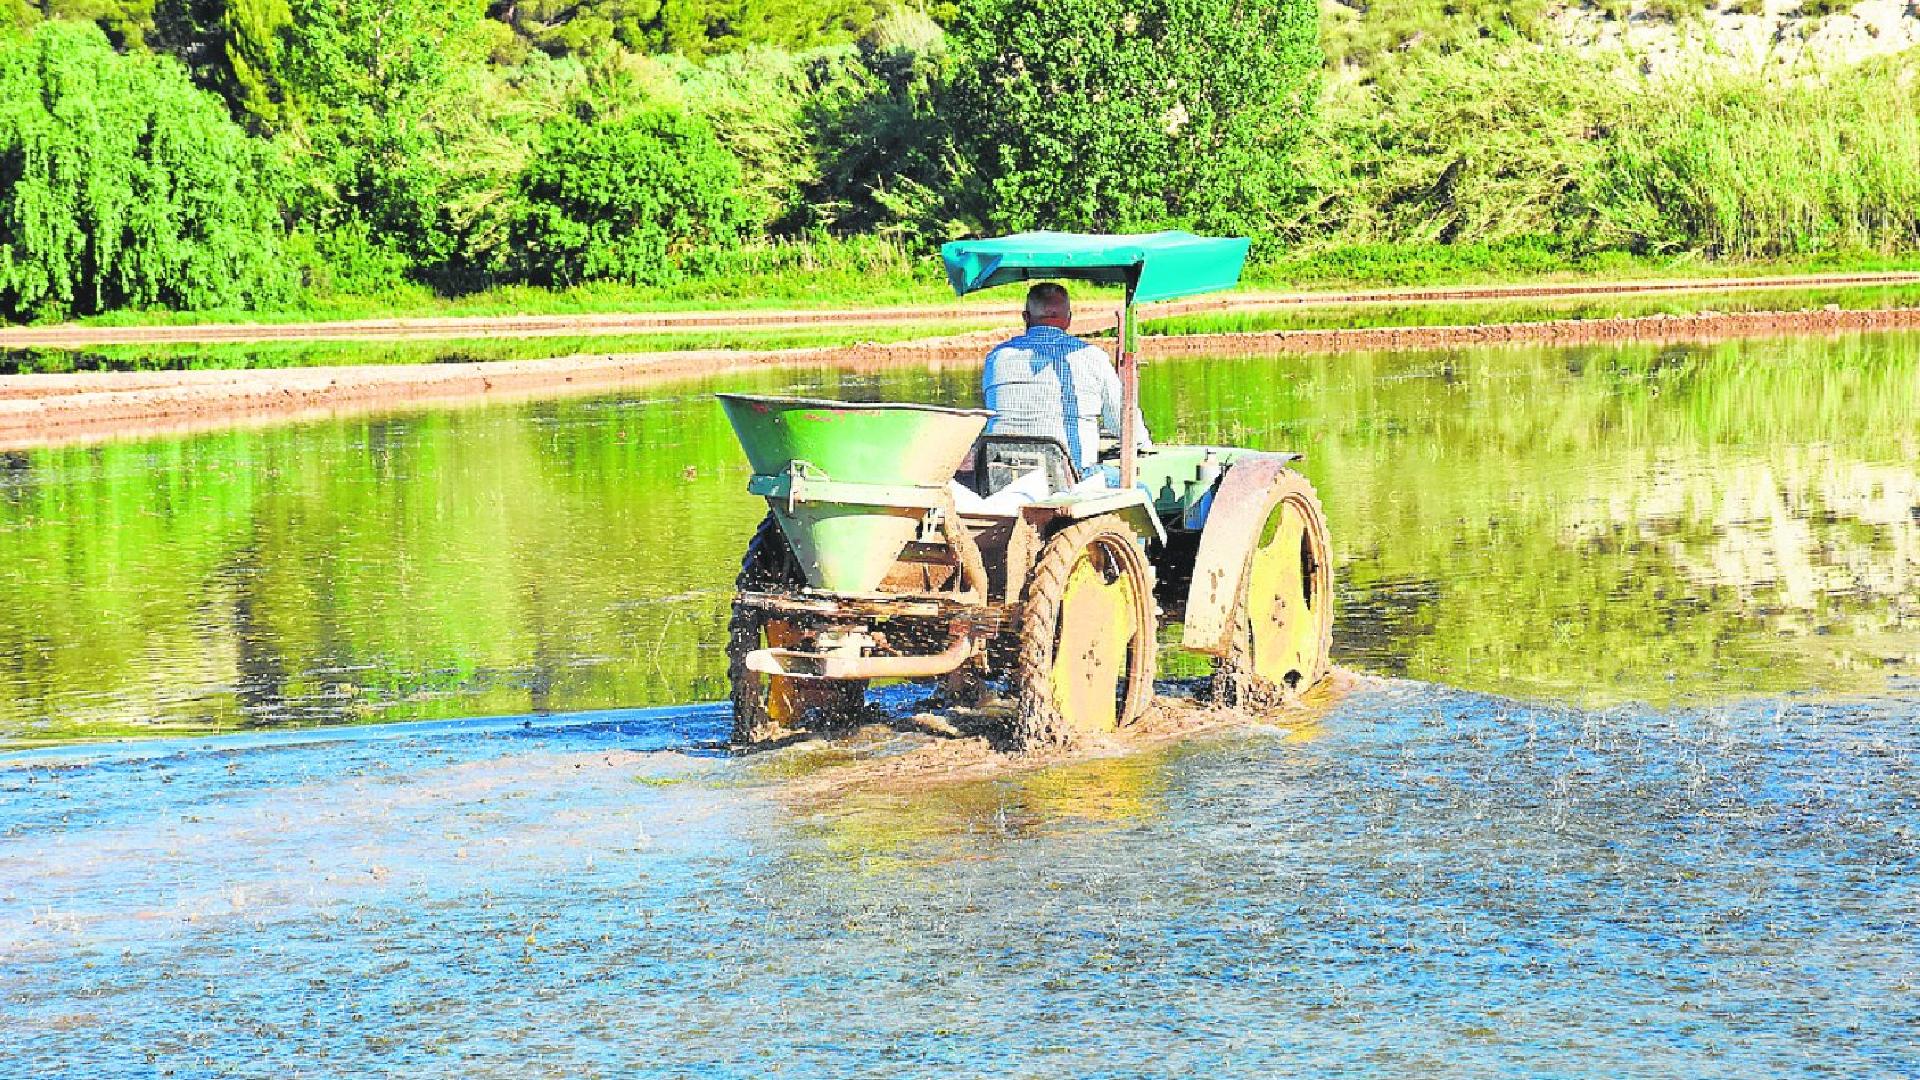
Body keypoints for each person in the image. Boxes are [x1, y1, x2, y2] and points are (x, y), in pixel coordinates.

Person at [981, 282, 1151, 476]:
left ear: (1026, 317)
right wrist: (1142, 442)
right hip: (1070, 480)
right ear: (1068, 320)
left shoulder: (997, 357)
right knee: (1142, 488)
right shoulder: (1091, 357)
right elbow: (1122, 422)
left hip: (1004, 476)